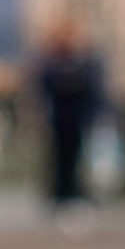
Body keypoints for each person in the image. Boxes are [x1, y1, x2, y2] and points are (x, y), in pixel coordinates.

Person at [33, 13, 109, 224]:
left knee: (79, 158)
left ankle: (77, 194)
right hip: (59, 121)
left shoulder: (85, 61)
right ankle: (60, 196)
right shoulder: (51, 62)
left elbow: (96, 91)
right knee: (59, 159)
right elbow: (42, 89)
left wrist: (98, 115)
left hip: (79, 120)